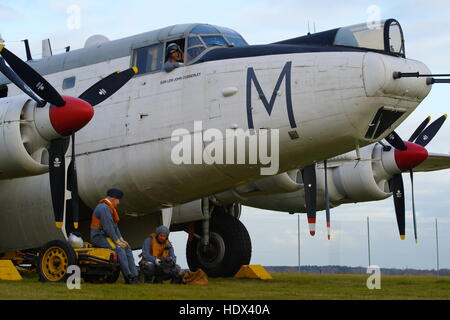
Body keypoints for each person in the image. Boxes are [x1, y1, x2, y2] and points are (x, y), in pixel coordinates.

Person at [90, 188, 139, 284]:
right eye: (118, 200)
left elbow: (115, 227)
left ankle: (134, 275)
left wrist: (122, 240)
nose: (118, 202)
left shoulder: (109, 208)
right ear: (113, 199)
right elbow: (108, 228)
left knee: (127, 248)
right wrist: (117, 241)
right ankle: (128, 276)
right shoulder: (104, 208)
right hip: (99, 237)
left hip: (106, 237)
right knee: (119, 249)